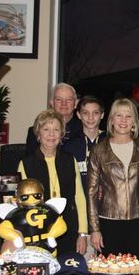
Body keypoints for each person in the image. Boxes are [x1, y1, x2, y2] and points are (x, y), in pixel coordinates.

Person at [87, 98, 139, 260]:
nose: (123, 121)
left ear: (134, 121)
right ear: (111, 120)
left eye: (128, 116)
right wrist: (95, 229)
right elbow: (91, 193)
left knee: (135, 274)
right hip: (109, 221)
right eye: (119, 115)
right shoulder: (99, 151)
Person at [18, 109, 88, 255]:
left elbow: (79, 197)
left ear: (61, 134)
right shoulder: (26, 164)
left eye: (56, 129)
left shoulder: (70, 160)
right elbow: (22, 205)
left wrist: (82, 233)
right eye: (46, 129)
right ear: (38, 134)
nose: (51, 134)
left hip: (69, 230)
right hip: (38, 233)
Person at [25, 83, 83, 156]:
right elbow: (30, 162)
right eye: (59, 99)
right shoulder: (36, 131)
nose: (64, 104)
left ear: (76, 104)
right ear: (52, 103)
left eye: (69, 99)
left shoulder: (84, 129)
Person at [64, 96, 106, 190]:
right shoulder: (69, 146)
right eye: (85, 113)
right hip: (79, 201)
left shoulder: (110, 143)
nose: (90, 117)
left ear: (102, 115)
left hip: (105, 202)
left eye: (95, 113)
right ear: (79, 115)